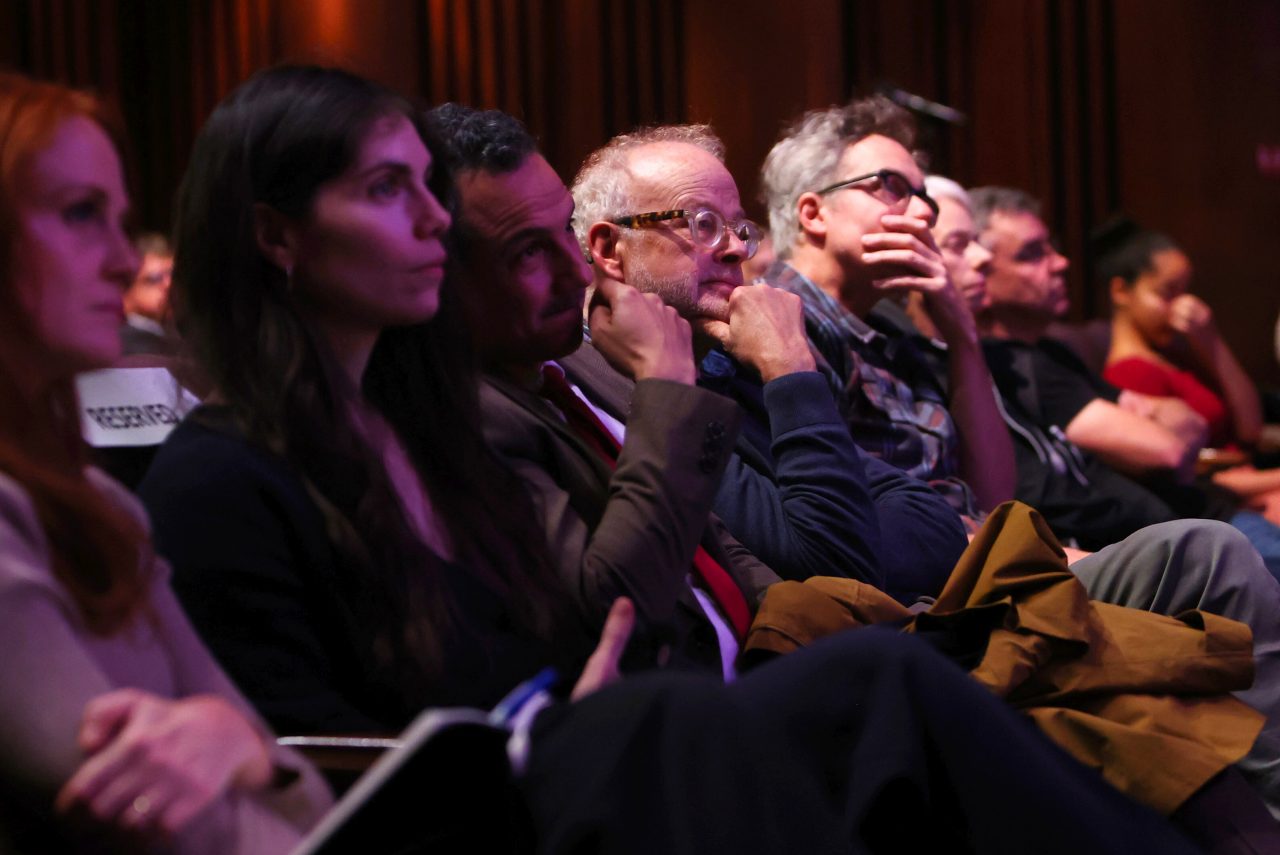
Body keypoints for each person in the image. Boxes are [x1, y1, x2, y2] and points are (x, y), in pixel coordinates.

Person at [135, 65, 1211, 853]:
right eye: (387, 193)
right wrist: (696, 390)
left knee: (925, 666)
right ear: (275, 236)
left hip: (650, 714)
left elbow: (843, 542)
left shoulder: (418, 429)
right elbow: (312, 765)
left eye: (428, 190)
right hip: (531, 784)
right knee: (854, 683)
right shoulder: (235, 473)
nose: (428, 223)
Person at [0, 72, 330, 854]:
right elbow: (170, 835)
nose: (123, 260)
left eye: (121, 220)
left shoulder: (100, 505)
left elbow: (308, 795)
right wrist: (254, 761)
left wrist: (233, 739)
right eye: (81, 214)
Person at [758, 96, 1016, 518]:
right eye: (892, 187)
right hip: (925, 573)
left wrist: (963, 337)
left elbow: (993, 495)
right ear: (814, 213)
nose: (922, 215)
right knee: (1161, 551)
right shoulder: (781, 322)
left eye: (923, 198)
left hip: (977, 553)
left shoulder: (890, 335)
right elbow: (841, 514)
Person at [1098, 218, 1280, 518]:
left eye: (1185, 292)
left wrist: (1211, 341)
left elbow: (1250, 428)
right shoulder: (1131, 373)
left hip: (1247, 483)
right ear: (1121, 291)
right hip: (1218, 503)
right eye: (1166, 293)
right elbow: (1188, 477)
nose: (1182, 307)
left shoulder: (1177, 354)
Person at [119, 232, 176, 356]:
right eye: (155, 279)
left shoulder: (172, 334)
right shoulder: (128, 344)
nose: (168, 284)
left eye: (172, 275)